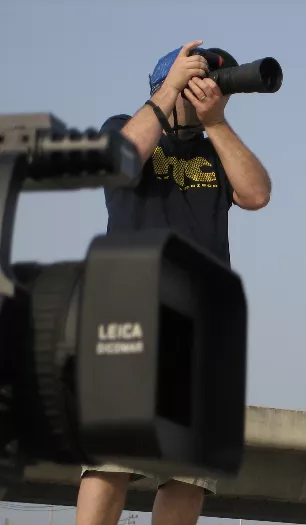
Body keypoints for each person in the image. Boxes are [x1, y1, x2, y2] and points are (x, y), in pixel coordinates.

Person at [75, 40, 271, 525]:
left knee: (188, 474)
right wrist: (168, 94)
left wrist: (217, 123)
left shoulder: (215, 148)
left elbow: (257, 193)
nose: (211, 89)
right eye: (198, 80)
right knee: (111, 463)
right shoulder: (122, 128)